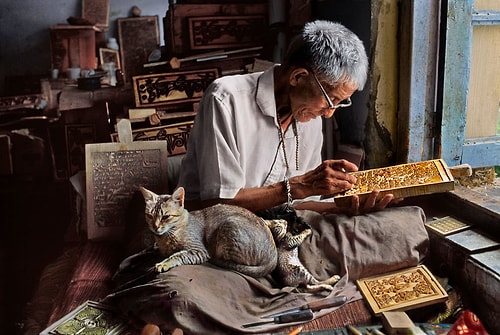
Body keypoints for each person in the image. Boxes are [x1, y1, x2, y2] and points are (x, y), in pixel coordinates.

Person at [177, 20, 397, 215]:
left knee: (389, 229)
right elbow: (218, 203)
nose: (329, 113)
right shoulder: (226, 98)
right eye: (330, 101)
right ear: (298, 77)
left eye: (339, 104)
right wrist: (299, 186)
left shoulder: (310, 119)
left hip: (276, 224)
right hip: (213, 226)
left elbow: (296, 206)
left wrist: (341, 208)